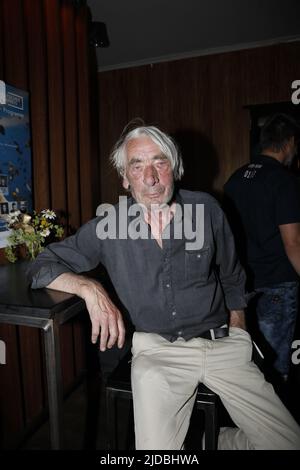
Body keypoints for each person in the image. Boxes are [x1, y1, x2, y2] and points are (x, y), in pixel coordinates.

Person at [27, 123, 300, 450]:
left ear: (176, 168)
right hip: (157, 352)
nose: (151, 177)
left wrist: (239, 332)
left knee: (287, 443)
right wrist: (89, 288)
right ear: (125, 178)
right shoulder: (109, 226)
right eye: (137, 166)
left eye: (160, 162)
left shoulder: (207, 210)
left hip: (223, 345)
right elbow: (41, 265)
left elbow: (232, 275)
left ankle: (204, 444)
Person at [224, 113, 300, 384]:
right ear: (289, 143)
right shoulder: (284, 181)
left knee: (248, 367)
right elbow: (293, 243)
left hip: (241, 287)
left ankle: (250, 423)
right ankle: (270, 425)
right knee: (275, 371)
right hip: (277, 284)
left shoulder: (235, 179)